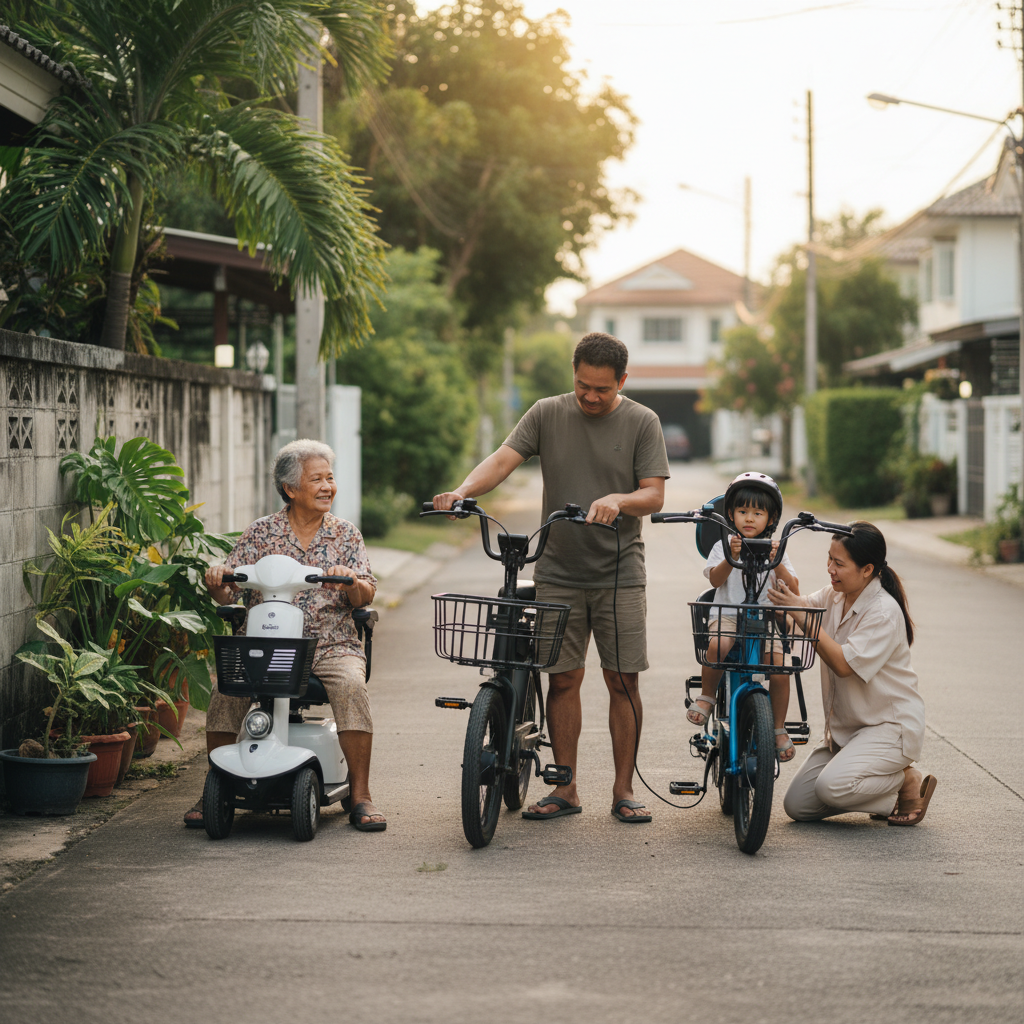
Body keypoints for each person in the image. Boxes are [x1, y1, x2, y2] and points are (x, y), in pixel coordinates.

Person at [433, 332, 670, 824]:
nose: (590, 396)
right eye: (583, 384)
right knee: (563, 680)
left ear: (622, 381)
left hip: (620, 574)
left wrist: (619, 500)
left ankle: (623, 790)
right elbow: (503, 459)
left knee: (622, 681)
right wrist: (461, 491)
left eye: (602, 389)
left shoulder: (643, 421)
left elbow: (653, 495)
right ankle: (566, 787)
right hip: (558, 570)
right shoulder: (547, 412)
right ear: (574, 373)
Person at [184, 439, 386, 832]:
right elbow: (230, 590)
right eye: (318, 479)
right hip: (266, 644)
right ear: (290, 489)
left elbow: (367, 593)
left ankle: (360, 794)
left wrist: (351, 584)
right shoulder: (261, 533)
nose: (328, 486)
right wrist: (215, 581)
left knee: (350, 687)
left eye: (330, 478)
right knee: (225, 690)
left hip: (331, 645)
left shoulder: (346, 535)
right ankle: (217, 786)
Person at [767, 521, 937, 826]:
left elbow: (844, 665)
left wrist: (800, 615)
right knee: (798, 806)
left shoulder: (883, 612)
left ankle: (904, 781)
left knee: (831, 787)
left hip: (888, 728)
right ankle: (880, 791)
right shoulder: (835, 595)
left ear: (867, 570)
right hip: (850, 731)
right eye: (829, 559)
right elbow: (798, 610)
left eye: (839, 563)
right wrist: (775, 567)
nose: (830, 568)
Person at [686, 472, 801, 761]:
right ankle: (708, 697)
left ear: (771, 518)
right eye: (742, 511)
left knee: (780, 667)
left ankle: (777, 727)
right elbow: (714, 580)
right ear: (731, 514)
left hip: (764, 620)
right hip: (728, 614)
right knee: (718, 647)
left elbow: (794, 588)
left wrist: (777, 564)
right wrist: (730, 555)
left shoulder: (778, 550)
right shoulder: (722, 546)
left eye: (757, 513)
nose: (749, 518)